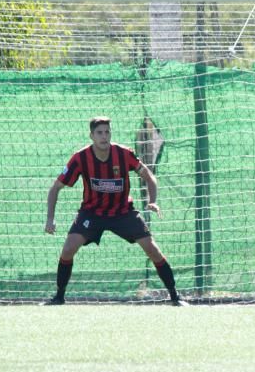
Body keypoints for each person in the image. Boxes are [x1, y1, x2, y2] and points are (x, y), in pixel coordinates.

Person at [44, 116, 184, 306]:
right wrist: (50, 219)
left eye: (107, 132)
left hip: (123, 212)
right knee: (68, 249)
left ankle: (175, 296)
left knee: (152, 249)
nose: (104, 136)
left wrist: (153, 201)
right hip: (92, 213)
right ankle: (59, 296)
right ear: (91, 135)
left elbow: (149, 177)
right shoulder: (80, 158)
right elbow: (55, 188)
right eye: (99, 133)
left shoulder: (124, 154)